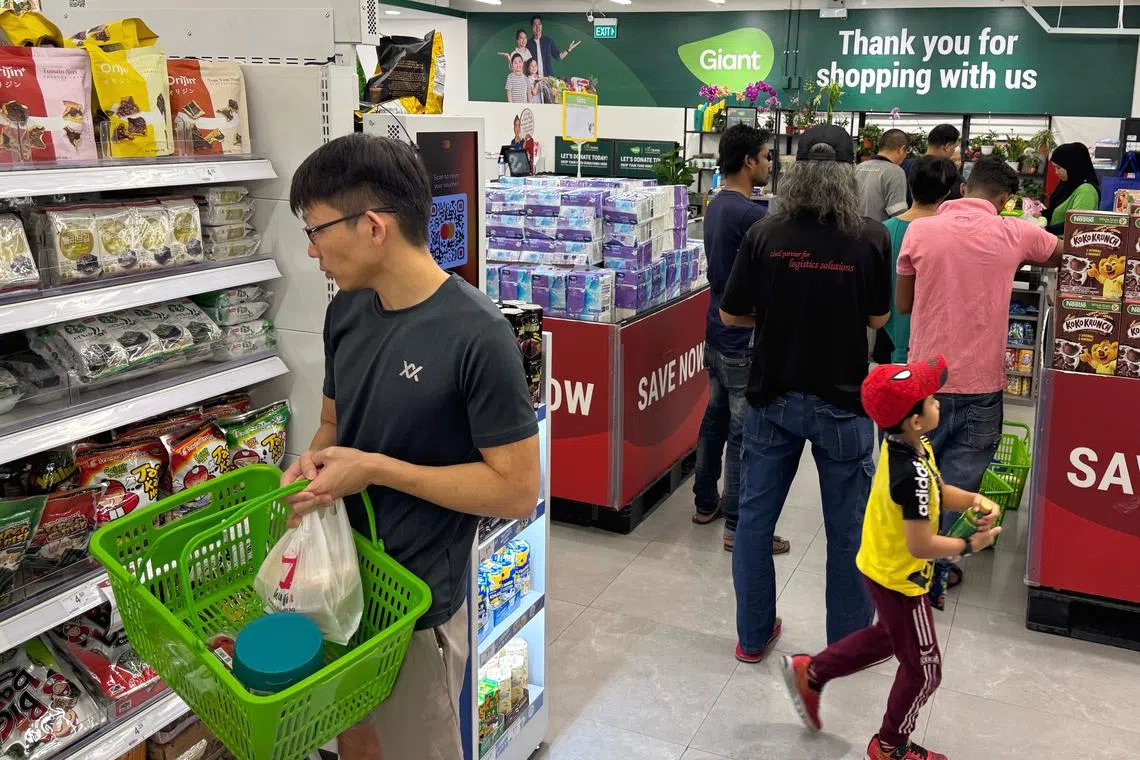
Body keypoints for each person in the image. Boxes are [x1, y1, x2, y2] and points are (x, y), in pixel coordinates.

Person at [285, 134, 540, 759]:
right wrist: (312, 465)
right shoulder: (347, 311)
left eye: (316, 230)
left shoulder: (479, 335)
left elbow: (515, 491)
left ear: (374, 226)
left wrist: (375, 470)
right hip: (339, 583)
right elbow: (332, 423)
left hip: (417, 605)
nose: (312, 250)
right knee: (353, 741)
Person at [720, 124, 891, 663]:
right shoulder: (870, 237)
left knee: (754, 522)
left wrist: (777, 313)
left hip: (771, 396)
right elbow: (878, 317)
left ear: (796, 173)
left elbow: (731, 313)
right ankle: (847, 644)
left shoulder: (765, 233)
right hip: (843, 403)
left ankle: (752, 637)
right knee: (848, 532)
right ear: (848, 175)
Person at [782, 356, 1002, 760]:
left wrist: (972, 498)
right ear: (915, 420)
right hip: (902, 579)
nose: (938, 401)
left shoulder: (909, 443)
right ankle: (890, 745)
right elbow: (921, 545)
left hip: (881, 565)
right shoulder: (910, 472)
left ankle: (810, 672)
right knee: (925, 669)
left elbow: (936, 491)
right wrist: (970, 545)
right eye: (931, 399)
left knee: (888, 637)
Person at [895, 156, 1061, 594]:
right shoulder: (1015, 232)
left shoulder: (920, 231)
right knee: (961, 481)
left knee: (917, 473)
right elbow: (1068, 252)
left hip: (924, 381)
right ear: (1004, 199)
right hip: (981, 385)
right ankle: (938, 570)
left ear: (965, 188)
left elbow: (904, 305)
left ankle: (906, 559)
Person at [693, 124, 789, 557]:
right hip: (743, 337)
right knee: (744, 433)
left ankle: (705, 502)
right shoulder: (753, 217)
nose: (769, 164)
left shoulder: (716, 204)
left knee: (714, 418)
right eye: (766, 157)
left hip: (715, 329)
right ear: (748, 161)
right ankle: (737, 524)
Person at [883, 156, 959, 364]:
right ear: (946, 193)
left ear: (910, 184)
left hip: (888, 335)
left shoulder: (884, 231)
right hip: (936, 341)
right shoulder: (954, 233)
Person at [901, 123, 965, 205]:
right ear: (947, 146)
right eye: (955, 147)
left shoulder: (906, 166)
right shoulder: (946, 171)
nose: (954, 151)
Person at [1045, 142, 1101, 234]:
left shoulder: (1086, 191)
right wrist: (1041, 214)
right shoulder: (1068, 183)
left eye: (1059, 168)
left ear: (1072, 166)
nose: (1056, 172)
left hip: (1068, 241)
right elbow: (1056, 209)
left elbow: (1077, 223)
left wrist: (1045, 230)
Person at [855, 128, 909, 222]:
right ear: (901, 149)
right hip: (878, 229)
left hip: (851, 227)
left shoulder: (858, 167)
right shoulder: (895, 172)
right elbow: (898, 214)